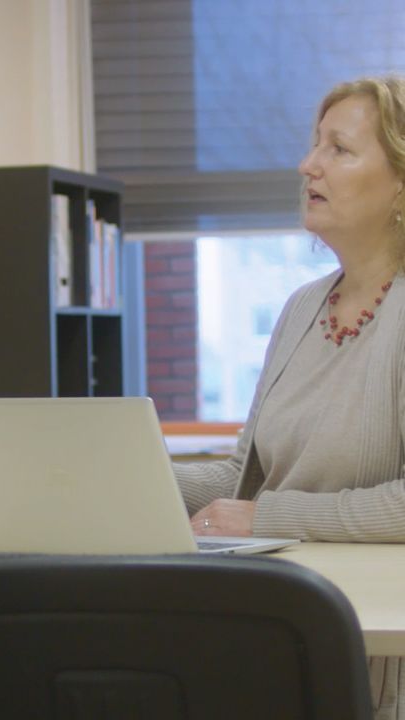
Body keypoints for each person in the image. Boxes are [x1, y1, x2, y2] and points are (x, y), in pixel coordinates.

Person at [176, 75, 405, 719]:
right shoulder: (303, 307)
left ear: (400, 185)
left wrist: (266, 518)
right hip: (289, 618)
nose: (308, 165)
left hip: (382, 646)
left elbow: (260, 507)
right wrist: (128, 477)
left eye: (339, 149)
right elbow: (243, 476)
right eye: (315, 144)